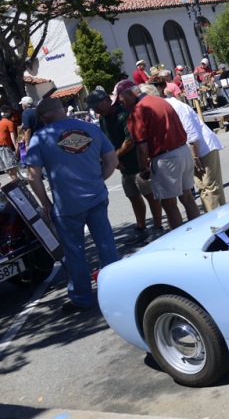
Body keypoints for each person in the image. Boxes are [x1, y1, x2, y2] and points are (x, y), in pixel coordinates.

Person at [26, 97, 120, 312]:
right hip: (96, 196)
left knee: (75, 251)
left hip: (68, 204)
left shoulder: (41, 137)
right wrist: (97, 180)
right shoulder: (90, 128)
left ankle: (82, 298)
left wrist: (45, 203)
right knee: (106, 243)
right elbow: (112, 161)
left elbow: (33, 177)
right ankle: (115, 289)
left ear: (44, 117)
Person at [115, 80, 201, 230]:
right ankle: (200, 232)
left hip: (166, 157)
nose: (122, 104)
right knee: (187, 197)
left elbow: (142, 146)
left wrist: (143, 168)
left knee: (169, 204)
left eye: (121, 100)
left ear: (130, 94)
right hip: (183, 151)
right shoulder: (159, 101)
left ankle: (179, 242)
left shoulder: (138, 111)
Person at [87, 87, 163, 243]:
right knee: (133, 197)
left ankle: (158, 227)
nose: (96, 109)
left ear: (107, 101)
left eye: (98, 105)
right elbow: (105, 141)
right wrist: (112, 159)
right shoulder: (103, 118)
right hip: (124, 166)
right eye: (93, 107)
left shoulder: (124, 114)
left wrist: (113, 158)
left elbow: (130, 141)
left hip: (138, 163)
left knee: (150, 195)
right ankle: (141, 228)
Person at [145, 82, 227, 212]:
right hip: (192, 149)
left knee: (210, 188)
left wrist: (194, 157)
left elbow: (191, 134)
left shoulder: (173, 105)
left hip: (203, 147)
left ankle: (220, 222)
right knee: (203, 188)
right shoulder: (163, 106)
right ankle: (214, 219)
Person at [0, 105, 19, 181]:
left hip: (1, 147)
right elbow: (13, 136)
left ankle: (14, 181)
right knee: (11, 166)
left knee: (6, 167)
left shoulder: (1, 122)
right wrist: (16, 147)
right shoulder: (9, 122)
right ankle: (17, 182)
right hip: (4, 147)